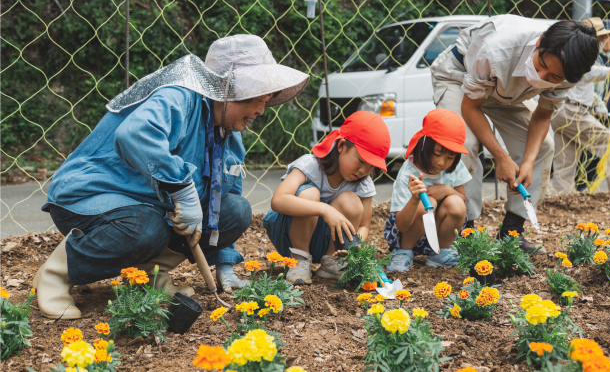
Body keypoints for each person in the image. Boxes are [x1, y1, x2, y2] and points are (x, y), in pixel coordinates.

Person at [35, 35, 309, 319]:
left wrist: (225, 265)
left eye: (266, 101)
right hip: (88, 199)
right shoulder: (180, 96)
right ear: (229, 89)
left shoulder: (229, 135)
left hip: (147, 210)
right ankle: (57, 274)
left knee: (235, 211)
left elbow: (222, 204)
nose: (262, 111)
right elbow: (135, 134)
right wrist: (181, 187)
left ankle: (148, 273)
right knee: (147, 227)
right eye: (257, 99)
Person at [429, 14, 599, 252]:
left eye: (553, 77)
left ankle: (512, 233)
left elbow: (542, 115)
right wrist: (501, 157)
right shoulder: (497, 48)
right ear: (539, 42)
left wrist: (527, 162)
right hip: (460, 75)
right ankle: (464, 233)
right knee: (463, 144)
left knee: (544, 147)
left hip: (507, 89)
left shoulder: (570, 72)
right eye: (541, 64)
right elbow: (471, 107)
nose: (542, 77)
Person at [263, 111, 390, 285]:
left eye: (371, 167)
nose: (363, 171)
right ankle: (299, 260)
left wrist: (356, 246)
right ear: (341, 146)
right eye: (361, 161)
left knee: (352, 202)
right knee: (309, 193)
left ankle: (331, 263)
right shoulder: (310, 165)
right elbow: (278, 201)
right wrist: (325, 209)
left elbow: (364, 225)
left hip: (330, 243)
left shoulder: (363, 183)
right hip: (289, 235)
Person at [551, 17, 610, 193]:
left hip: (561, 110)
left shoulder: (570, 49)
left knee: (565, 162)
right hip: (573, 111)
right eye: (602, 37)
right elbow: (590, 73)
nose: (604, 41)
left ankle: (559, 201)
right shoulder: (581, 53)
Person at [384, 109, 471, 272]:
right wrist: (415, 199)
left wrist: (447, 190)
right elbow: (401, 225)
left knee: (456, 203)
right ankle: (403, 252)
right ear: (425, 144)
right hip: (409, 233)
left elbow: (462, 198)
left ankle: (441, 253)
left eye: (450, 157)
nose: (441, 162)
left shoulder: (455, 167)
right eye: (437, 153)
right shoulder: (409, 173)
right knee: (427, 203)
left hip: (438, 231)